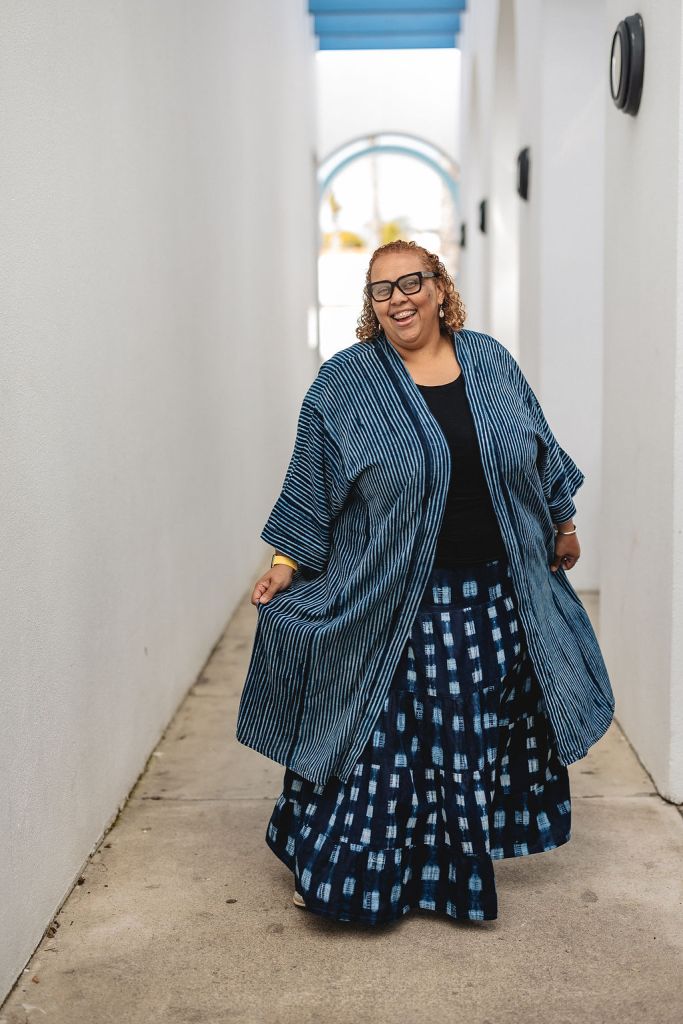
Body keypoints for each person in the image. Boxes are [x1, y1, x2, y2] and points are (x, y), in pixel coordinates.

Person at [235, 239, 615, 925]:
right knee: (376, 744)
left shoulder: (490, 361)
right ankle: (336, 873)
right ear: (370, 306)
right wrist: (284, 564)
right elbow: (310, 484)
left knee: (461, 745)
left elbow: (537, 445)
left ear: (440, 288)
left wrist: (562, 523)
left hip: (491, 598)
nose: (398, 298)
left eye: (411, 281)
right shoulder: (345, 383)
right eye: (381, 289)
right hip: (391, 600)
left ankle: (440, 879)